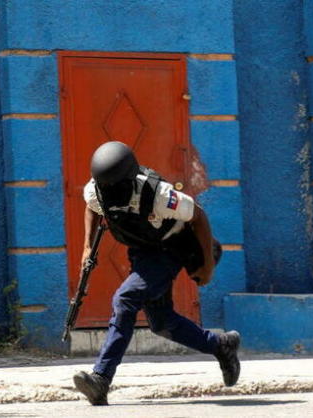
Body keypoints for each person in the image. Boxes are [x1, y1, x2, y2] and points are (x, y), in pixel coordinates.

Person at [72, 141, 241, 406]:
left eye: (115, 187)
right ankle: (221, 345)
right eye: (105, 187)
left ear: (128, 179)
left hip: (171, 248)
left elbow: (199, 218)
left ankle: (101, 378)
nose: (109, 192)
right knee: (161, 322)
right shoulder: (97, 190)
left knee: (125, 299)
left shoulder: (159, 194)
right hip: (143, 251)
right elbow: (92, 207)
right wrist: (86, 247)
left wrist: (207, 266)